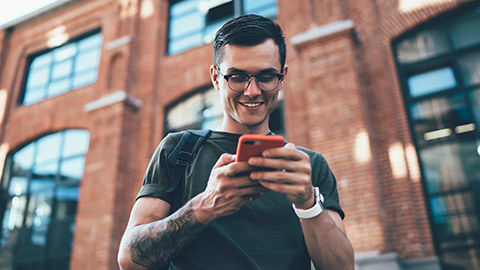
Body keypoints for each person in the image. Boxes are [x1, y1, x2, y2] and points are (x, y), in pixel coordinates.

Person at [118, 14, 354, 270]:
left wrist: (308, 203)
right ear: (215, 78)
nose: (252, 91)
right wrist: (205, 205)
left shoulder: (310, 166)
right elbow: (130, 260)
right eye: (237, 77)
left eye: (266, 76)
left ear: (282, 76)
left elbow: (342, 267)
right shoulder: (178, 150)